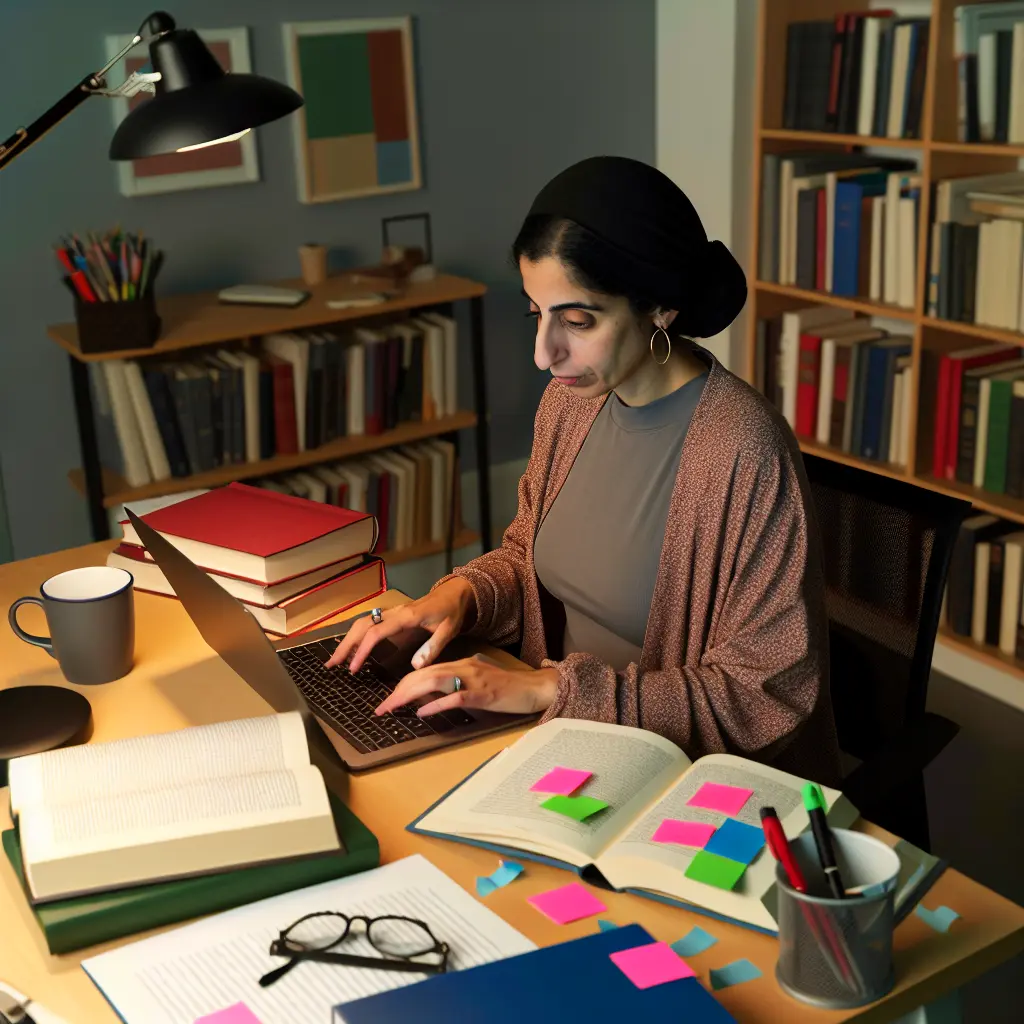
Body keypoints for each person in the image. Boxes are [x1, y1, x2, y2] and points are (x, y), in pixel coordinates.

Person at [328, 155, 841, 785]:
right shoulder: (572, 405)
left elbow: (762, 693)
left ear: (659, 310)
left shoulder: (742, 450)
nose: (544, 354)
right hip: (559, 742)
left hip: (674, 776)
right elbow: (529, 558)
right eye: (536, 314)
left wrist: (548, 690)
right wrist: (454, 598)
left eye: (577, 321)